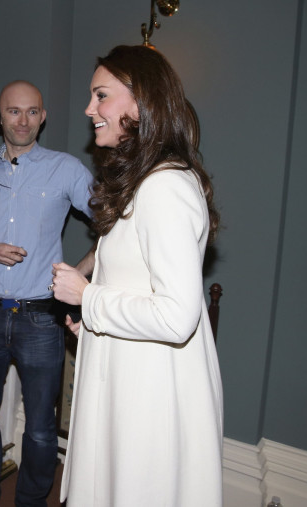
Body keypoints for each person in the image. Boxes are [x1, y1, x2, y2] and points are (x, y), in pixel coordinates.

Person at [51, 45, 223, 506]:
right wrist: (93, 320)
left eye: (101, 96)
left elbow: (176, 317)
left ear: (140, 101)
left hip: (151, 392)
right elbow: (138, 285)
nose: (90, 109)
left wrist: (88, 297)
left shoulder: (164, 187)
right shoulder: (146, 180)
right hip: (130, 372)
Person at [0, 80, 94, 506]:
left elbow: (114, 222)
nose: (23, 120)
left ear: (43, 117)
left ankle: (31, 501)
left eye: (32, 112)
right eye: (14, 111)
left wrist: (77, 272)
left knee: (41, 429)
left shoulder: (65, 169)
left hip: (40, 319)